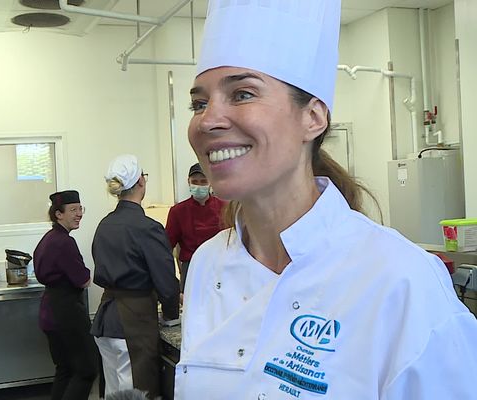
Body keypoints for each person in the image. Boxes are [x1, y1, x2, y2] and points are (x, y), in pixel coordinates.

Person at [175, 1, 477, 399]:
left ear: (313, 118)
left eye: (243, 93)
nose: (207, 120)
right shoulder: (208, 263)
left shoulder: (400, 281)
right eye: (199, 103)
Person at [91, 154, 180, 399]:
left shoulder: (104, 224)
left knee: (114, 393)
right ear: (141, 181)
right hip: (132, 323)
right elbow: (166, 283)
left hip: (105, 321)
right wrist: (172, 316)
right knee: (136, 393)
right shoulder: (147, 227)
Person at [33, 190, 98, 400]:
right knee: (87, 369)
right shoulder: (63, 242)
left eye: (80, 209)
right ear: (58, 214)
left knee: (65, 369)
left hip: (50, 312)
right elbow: (84, 280)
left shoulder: (48, 239)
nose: (79, 214)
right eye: (73, 210)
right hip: (66, 312)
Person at [165, 162, 226, 291]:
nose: (199, 185)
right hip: (191, 268)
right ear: (188, 182)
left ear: (211, 181)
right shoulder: (178, 211)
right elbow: (166, 246)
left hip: (220, 267)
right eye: (195, 181)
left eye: (203, 181)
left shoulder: (224, 208)